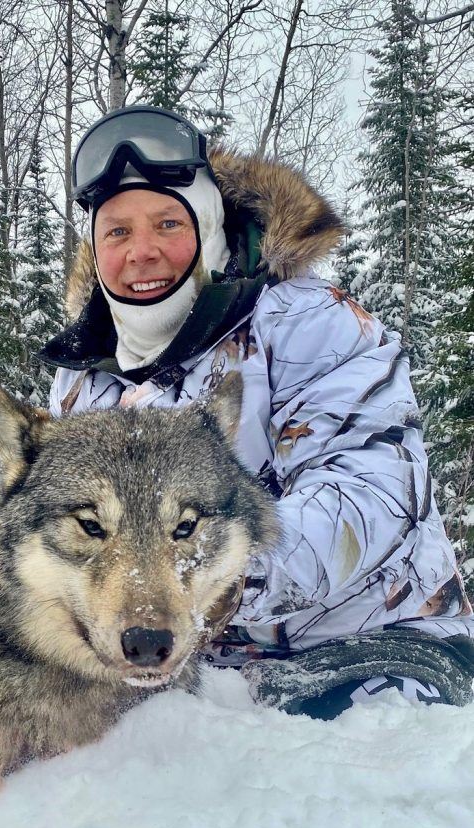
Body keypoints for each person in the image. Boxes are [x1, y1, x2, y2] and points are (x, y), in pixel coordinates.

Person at [39, 105, 474, 718]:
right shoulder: (84, 375)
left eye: (168, 223)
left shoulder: (309, 321)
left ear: (210, 226)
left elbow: (371, 495)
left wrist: (213, 574)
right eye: (117, 232)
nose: (142, 252)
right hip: (173, 657)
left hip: (372, 643)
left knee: (295, 765)